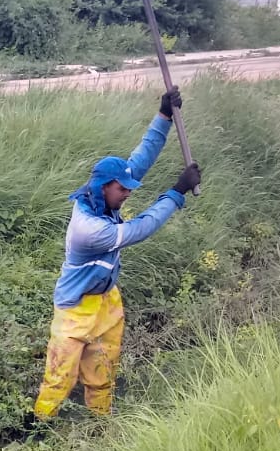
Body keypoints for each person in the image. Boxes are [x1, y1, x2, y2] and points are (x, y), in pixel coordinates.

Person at [33, 87, 203, 419]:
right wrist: (176, 192)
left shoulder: (105, 194)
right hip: (75, 308)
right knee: (59, 377)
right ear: (104, 187)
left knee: (103, 372)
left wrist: (164, 116)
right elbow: (141, 228)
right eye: (122, 189)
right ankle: (38, 427)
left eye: (128, 188)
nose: (127, 193)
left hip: (107, 301)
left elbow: (139, 160)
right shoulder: (89, 229)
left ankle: (100, 424)